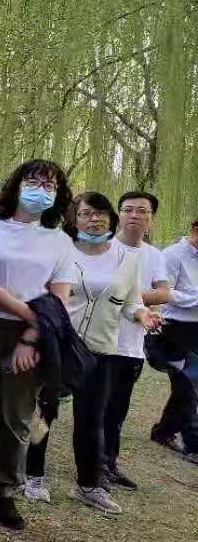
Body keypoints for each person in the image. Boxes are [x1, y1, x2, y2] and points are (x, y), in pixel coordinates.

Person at [22, 193, 158, 514]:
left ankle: (88, 485)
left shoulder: (128, 259)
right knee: (45, 413)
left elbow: (132, 302)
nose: (94, 219)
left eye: (100, 213)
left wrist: (143, 315)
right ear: (75, 219)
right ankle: (33, 476)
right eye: (85, 214)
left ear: (111, 218)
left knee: (92, 419)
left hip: (102, 350)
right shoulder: (61, 252)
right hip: (60, 345)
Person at [0, 161, 77, 529]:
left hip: (32, 338)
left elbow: (58, 297)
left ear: (58, 195)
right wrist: (32, 315)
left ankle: (3, 492)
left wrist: (32, 335)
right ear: (16, 185)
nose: (40, 190)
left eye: (49, 186)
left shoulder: (60, 241)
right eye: (33, 182)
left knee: (16, 417)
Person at [106, 191, 170, 487]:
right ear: (118, 214)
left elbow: (164, 292)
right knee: (94, 408)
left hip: (131, 345)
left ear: (151, 218)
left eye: (142, 211)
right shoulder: (103, 247)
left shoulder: (154, 255)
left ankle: (109, 463)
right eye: (128, 209)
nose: (135, 215)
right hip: (99, 342)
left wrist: (133, 299)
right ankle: (90, 468)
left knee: (118, 410)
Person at [154, 216, 198, 463]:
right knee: (188, 384)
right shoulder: (172, 255)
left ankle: (164, 431)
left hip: (196, 328)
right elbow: (163, 293)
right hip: (175, 328)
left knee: (187, 385)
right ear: (195, 229)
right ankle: (194, 444)